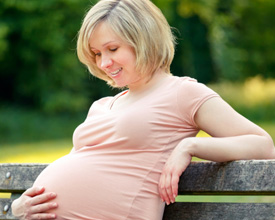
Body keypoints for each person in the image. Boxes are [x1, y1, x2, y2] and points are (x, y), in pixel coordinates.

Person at [11, 0, 275, 219]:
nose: (104, 62)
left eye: (112, 49)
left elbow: (263, 145)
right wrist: (18, 208)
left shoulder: (182, 92)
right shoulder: (102, 106)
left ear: (144, 39)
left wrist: (189, 147)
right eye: (96, 53)